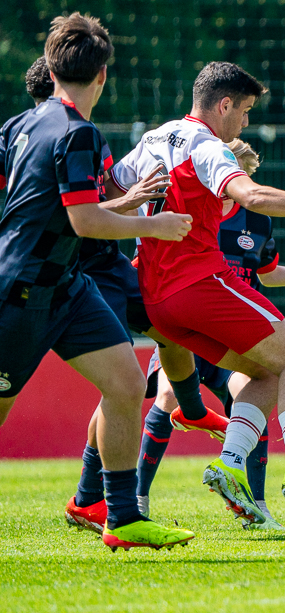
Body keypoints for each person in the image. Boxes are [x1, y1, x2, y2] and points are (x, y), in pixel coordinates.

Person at [109, 61, 285, 527]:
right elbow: (253, 197)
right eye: (245, 111)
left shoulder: (152, 139)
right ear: (223, 104)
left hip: (154, 299)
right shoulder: (206, 145)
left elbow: (108, 188)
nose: (245, 124)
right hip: (197, 284)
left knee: (267, 374)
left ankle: (229, 465)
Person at [14, 52, 232, 535]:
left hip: (102, 268)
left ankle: (189, 413)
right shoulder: (56, 136)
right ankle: (91, 499)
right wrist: (139, 211)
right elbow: (83, 216)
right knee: (117, 387)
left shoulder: (81, 135)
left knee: (169, 332)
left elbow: (97, 196)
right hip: (69, 272)